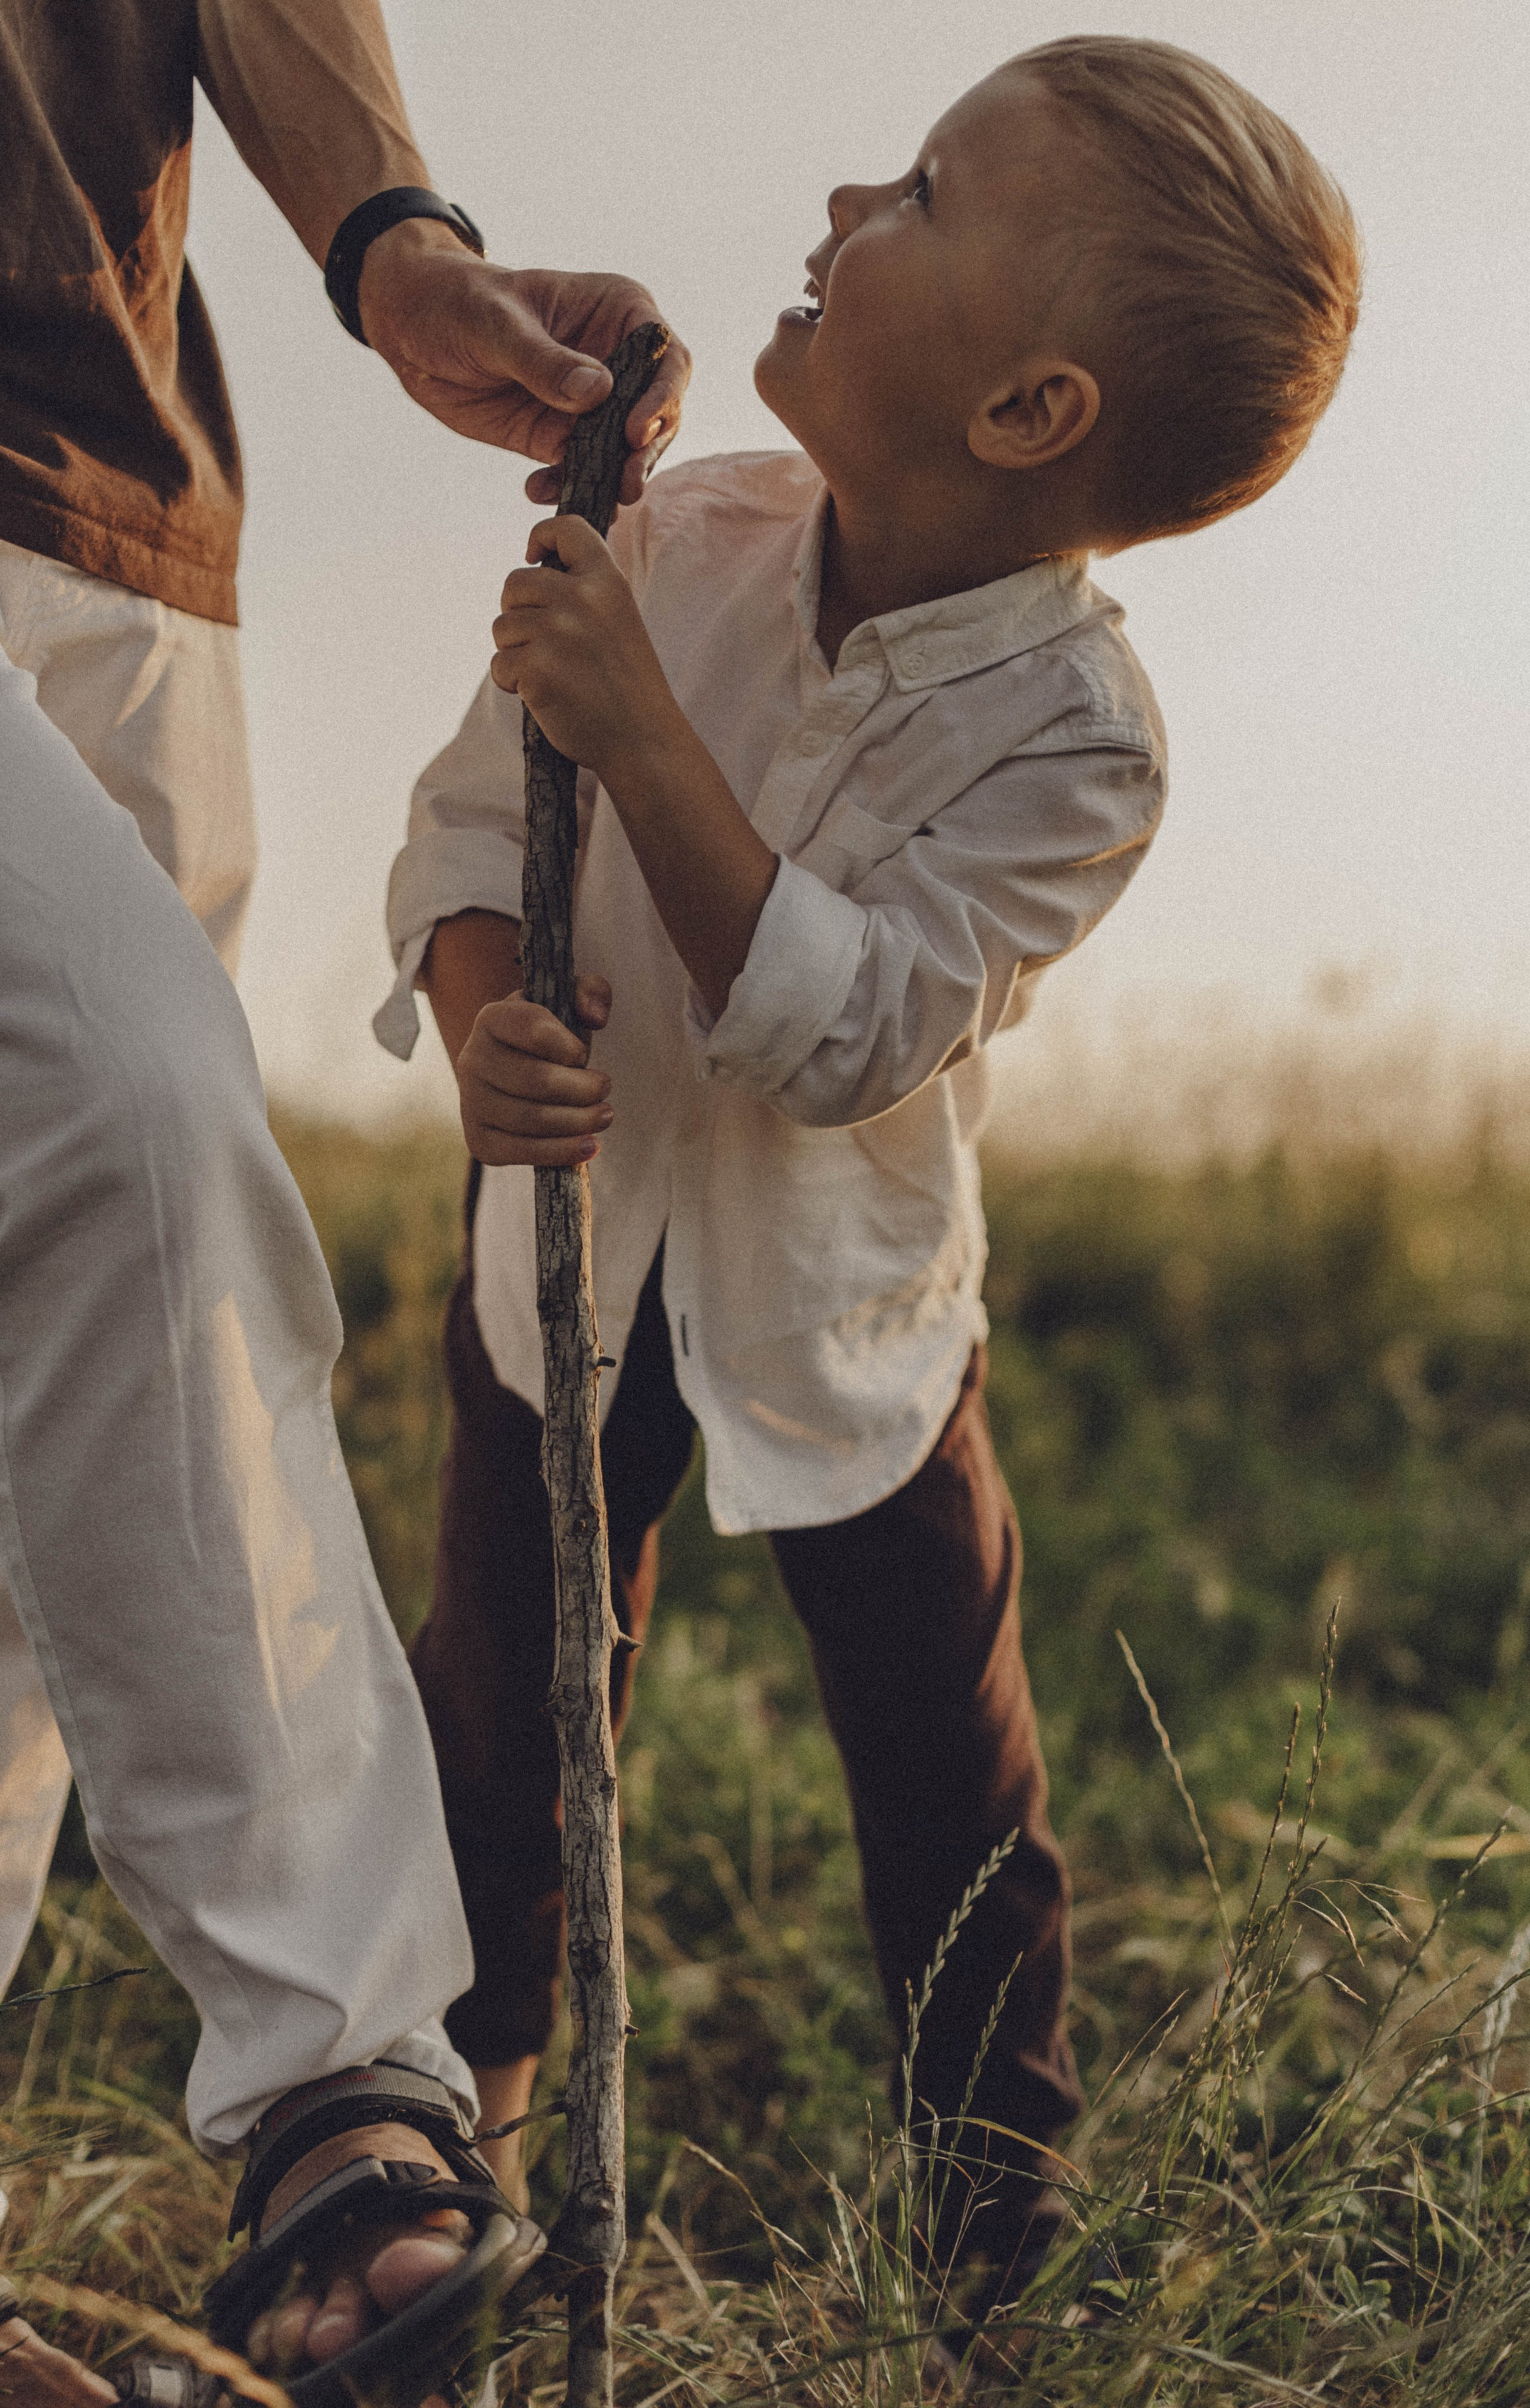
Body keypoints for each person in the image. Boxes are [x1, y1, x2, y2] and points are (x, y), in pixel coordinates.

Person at [377, 31, 1360, 2331]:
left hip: (848, 1319)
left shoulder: (1078, 739)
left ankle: (988, 2263)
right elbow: (454, 821)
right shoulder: (678, 533)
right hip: (572, 1263)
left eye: (919, 194)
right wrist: (482, 1011)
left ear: (1030, 414)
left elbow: (843, 1032)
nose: (840, 202)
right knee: (505, 1728)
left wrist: (637, 728)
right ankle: (471, 2177)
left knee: (952, 1794)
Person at [0, 0, 687, 2396]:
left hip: (118, 477)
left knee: (40, 1438)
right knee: (130, 1111)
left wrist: (391, 241)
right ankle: (336, 2084)